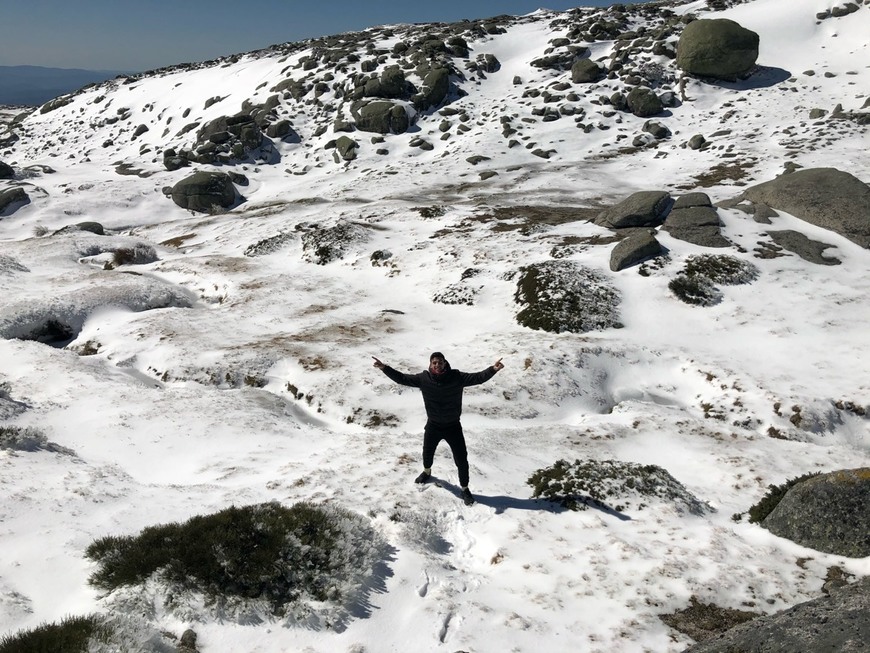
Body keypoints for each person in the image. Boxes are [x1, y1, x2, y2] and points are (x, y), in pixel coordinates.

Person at [372, 351, 504, 505]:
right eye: (434, 362)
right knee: (427, 452)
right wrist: (384, 368)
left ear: (444, 363)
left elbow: (478, 378)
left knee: (461, 459)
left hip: (453, 426)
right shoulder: (424, 379)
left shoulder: (456, 377)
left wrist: (493, 369)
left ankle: (465, 488)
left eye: (439, 362)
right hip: (433, 425)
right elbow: (402, 379)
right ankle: (427, 472)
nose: (437, 364)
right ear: (430, 364)